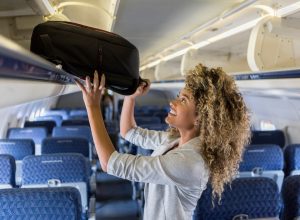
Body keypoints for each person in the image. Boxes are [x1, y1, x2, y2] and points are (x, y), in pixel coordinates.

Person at [76, 63, 251, 220]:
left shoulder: (190, 162)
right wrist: (131, 97)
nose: (173, 102)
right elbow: (129, 132)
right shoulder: (175, 140)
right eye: (178, 96)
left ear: (200, 117)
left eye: (183, 100)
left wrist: (93, 107)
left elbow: (110, 163)